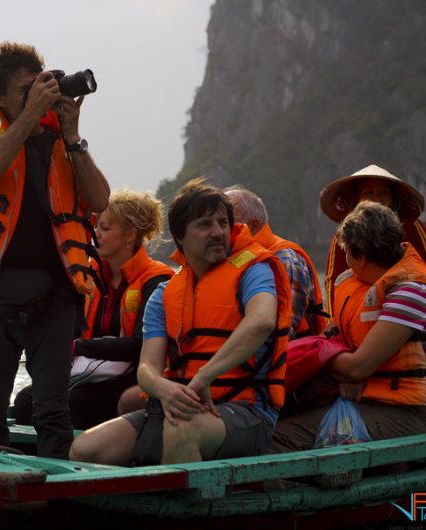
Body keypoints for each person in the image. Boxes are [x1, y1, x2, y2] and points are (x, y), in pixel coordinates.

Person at [69, 178, 292, 465]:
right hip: (181, 406)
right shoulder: (166, 293)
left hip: (247, 410)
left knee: (182, 432)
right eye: (204, 225)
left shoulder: (253, 271)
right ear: (180, 237)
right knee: (85, 448)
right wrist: (165, 390)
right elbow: (147, 368)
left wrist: (203, 378)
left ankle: (187, 505)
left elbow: (261, 321)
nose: (218, 232)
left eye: (222, 223)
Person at [0, 42, 110, 459]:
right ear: (0, 101)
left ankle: (55, 500)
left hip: (56, 298)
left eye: (40, 85)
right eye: (26, 90)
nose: (39, 95)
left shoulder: (65, 145)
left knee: (53, 412)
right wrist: (27, 117)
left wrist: (73, 134)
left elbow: (99, 201)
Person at [271, 201, 426, 454]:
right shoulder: (373, 286)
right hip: (381, 401)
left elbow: (358, 367)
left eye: (347, 253)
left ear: (362, 257)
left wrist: (315, 354)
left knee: (279, 439)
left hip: (421, 415)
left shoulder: (409, 292)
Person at [13, 189, 173, 430]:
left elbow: (141, 344)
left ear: (129, 235)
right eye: (95, 227)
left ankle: (78, 456)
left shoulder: (156, 281)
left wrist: (78, 347)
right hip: (91, 373)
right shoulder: (88, 276)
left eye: (105, 229)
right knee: (26, 401)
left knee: (70, 403)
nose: (95, 234)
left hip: (136, 376)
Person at [320, 164, 426, 314]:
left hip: (405, 308)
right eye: (368, 192)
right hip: (361, 310)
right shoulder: (348, 232)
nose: (376, 199)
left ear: (393, 199)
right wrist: (334, 322)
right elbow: (333, 280)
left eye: (384, 193)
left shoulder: (411, 227)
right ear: (357, 198)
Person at [225, 185, 327, 339]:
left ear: (253, 225)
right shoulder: (226, 259)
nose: (218, 229)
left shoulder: (286, 260)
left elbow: (284, 331)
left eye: (226, 221)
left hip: (288, 359)